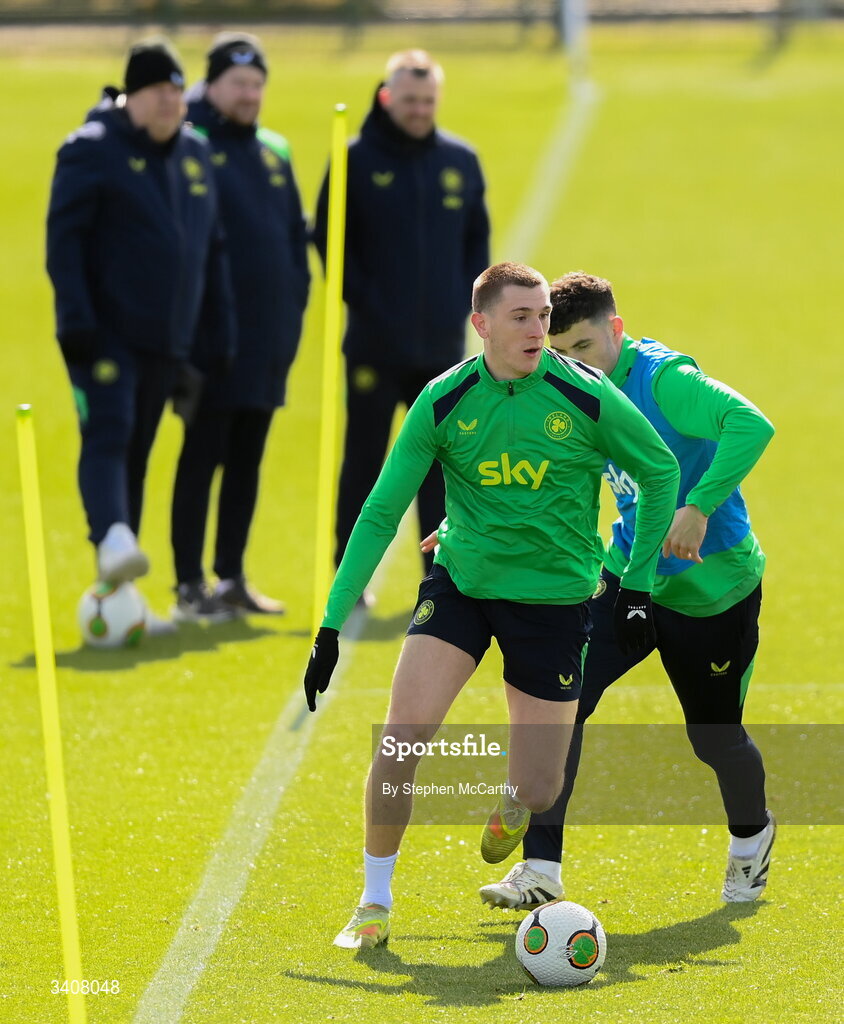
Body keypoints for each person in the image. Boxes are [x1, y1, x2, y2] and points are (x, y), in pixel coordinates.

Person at [302, 262, 680, 948]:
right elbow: (383, 509)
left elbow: (660, 472)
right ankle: (373, 904)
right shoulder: (444, 401)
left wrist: (638, 586)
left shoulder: (586, 396)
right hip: (463, 587)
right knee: (401, 734)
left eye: (543, 316)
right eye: (523, 318)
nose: (540, 329)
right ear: (481, 327)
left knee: (540, 789)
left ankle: (512, 800)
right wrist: (331, 623)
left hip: (556, 603)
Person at [476, 272, 776, 908]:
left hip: (711, 590)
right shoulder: (560, 385)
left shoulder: (667, 382)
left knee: (715, 738)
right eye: (561, 351)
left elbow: (751, 423)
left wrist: (696, 508)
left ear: (616, 331)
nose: (571, 364)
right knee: (565, 705)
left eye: (584, 347)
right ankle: (540, 872)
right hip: (626, 573)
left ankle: (751, 842)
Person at [46, 38, 234, 628]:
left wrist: (215, 331)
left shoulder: (194, 154)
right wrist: (76, 319)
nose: (170, 105)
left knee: (138, 454)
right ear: (132, 95)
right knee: (110, 432)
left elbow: (210, 248)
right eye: (158, 93)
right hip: (103, 332)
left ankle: (117, 595)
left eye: (178, 94)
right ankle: (113, 536)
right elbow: (64, 240)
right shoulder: (90, 150)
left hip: (167, 337)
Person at [312, 49, 490, 592]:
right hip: (372, 343)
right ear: (387, 97)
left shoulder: (460, 160)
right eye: (410, 100)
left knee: (441, 463)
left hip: (440, 347)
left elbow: (475, 243)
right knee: (365, 461)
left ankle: (438, 572)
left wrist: (460, 302)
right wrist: (366, 301)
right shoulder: (355, 159)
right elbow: (327, 238)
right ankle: (351, 572)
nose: (419, 110)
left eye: (428, 101)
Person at [169, 33, 310, 621]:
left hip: (269, 340)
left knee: (248, 459)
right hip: (212, 341)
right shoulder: (189, 144)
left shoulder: (273, 150)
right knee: (202, 457)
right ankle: (187, 584)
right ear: (213, 85)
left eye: (257, 85)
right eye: (238, 84)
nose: (250, 95)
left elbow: (293, 244)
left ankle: (231, 576)